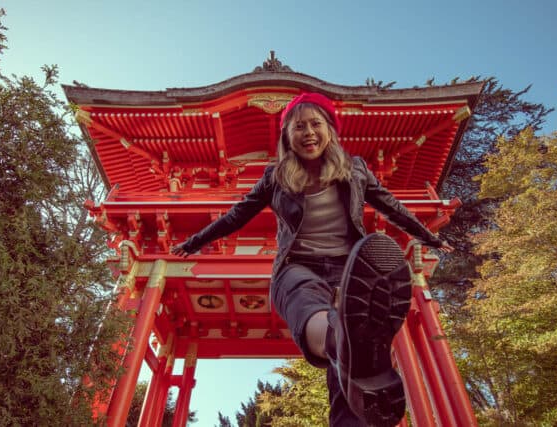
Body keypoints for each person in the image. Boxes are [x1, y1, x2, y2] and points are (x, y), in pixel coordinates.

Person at [172, 92, 454, 426]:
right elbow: (236, 216)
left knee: (345, 373)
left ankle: (348, 369)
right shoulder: (275, 177)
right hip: (296, 266)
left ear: (331, 130)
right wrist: (194, 242)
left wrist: (428, 237)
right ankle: (343, 339)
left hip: (350, 270)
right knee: (308, 303)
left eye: (316, 124)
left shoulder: (356, 170)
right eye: (299, 126)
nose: (308, 133)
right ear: (286, 136)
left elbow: (390, 207)